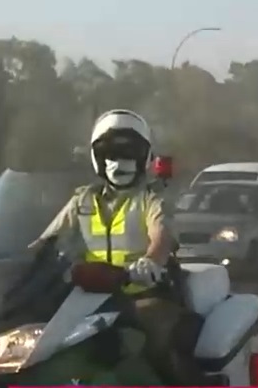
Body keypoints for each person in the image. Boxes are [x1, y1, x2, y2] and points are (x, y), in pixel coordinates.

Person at [31, 109, 212, 386]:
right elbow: (45, 241)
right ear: (98, 159)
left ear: (144, 159)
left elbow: (161, 235)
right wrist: (7, 264)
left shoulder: (150, 199)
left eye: (129, 155)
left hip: (144, 296)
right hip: (85, 299)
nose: (120, 163)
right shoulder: (82, 200)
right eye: (111, 155)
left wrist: (151, 262)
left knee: (162, 348)